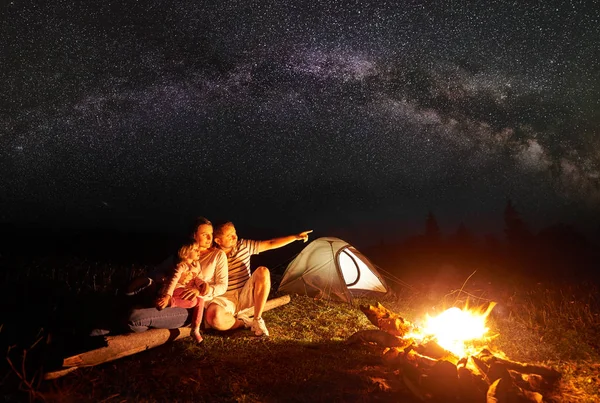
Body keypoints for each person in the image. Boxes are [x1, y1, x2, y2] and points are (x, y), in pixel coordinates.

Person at [205, 222, 312, 337]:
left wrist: (295, 237)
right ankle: (243, 323)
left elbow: (270, 243)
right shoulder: (211, 255)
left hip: (245, 294)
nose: (234, 237)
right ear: (218, 240)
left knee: (263, 271)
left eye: (234, 233)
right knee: (215, 318)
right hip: (224, 299)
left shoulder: (243, 246)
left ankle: (257, 319)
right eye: (229, 235)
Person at [126, 217, 228, 333]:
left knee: (135, 317)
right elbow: (155, 273)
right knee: (131, 314)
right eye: (205, 234)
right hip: (168, 296)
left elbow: (222, 286)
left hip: (190, 305)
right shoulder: (182, 255)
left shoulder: (218, 255)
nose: (210, 238)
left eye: (211, 234)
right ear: (193, 235)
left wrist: (202, 290)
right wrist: (167, 277)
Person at [155, 242, 207, 343]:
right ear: (186, 253)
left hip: (185, 290)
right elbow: (173, 281)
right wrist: (167, 296)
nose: (198, 251)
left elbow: (197, 278)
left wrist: (202, 285)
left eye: (198, 249)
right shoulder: (181, 266)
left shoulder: (196, 266)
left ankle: (195, 328)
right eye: (195, 250)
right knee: (193, 301)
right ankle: (169, 302)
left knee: (200, 300)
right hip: (176, 290)